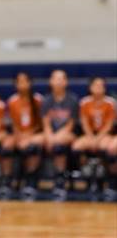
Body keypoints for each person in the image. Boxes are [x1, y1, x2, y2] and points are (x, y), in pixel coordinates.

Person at [1, 72, 44, 199]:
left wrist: (28, 136)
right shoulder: (12, 101)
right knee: (6, 145)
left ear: (30, 83)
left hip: (34, 133)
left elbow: (40, 124)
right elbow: (13, 124)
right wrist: (19, 136)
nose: (22, 84)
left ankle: (30, 181)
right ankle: (7, 180)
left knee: (33, 146)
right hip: (18, 134)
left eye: (25, 81)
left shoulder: (38, 100)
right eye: (19, 81)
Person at [72, 77, 115, 192]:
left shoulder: (110, 102)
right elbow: (84, 123)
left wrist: (98, 139)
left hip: (105, 134)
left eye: (101, 85)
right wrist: (91, 138)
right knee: (76, 147)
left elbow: (109, 125)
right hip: (89, 134)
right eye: (96, 85)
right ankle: (86, 174)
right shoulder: (85, 102)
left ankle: (108, 178)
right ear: (90, 88)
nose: (99, 87)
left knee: (107, 148)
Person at [42, 70, 78, 200]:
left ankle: (60, 180)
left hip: (67, 134)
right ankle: (30, 180)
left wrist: (56, 138)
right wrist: (50, 136)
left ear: (66, 82)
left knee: (59, 145)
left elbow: (71, 125)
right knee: (33, 145)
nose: (57, 81)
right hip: (51, 133)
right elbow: (45, 123)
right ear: (50, 82)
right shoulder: (46, 100)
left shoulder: (72, 100)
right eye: (55, 78)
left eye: (61, 79)